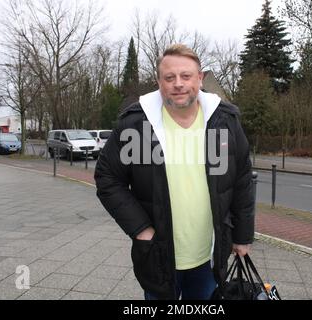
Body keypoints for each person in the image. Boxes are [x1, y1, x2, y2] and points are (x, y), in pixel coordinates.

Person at [94, 44, 255, 300]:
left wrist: (243, 235)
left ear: (200, 78)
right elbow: (107, 178)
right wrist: (142, 230)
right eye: (170, 77)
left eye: (186, 76)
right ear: (159, 82)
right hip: (158, 255)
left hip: (210, 255)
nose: (178, 83)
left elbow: (242, 179)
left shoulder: (225, 121)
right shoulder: (137, 124)